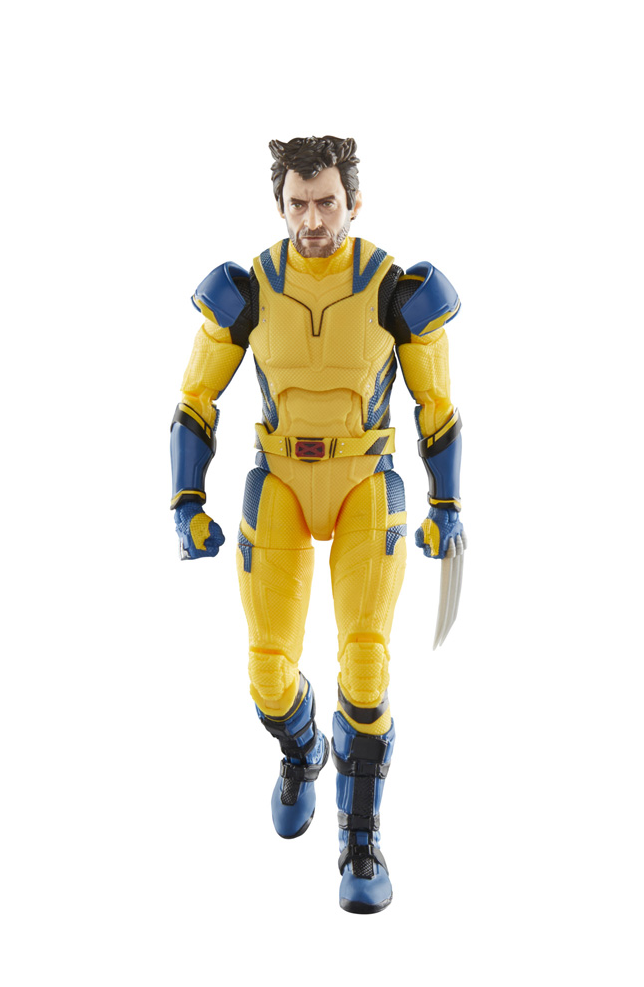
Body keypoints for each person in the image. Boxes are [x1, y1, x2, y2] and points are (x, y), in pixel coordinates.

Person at [170, 136, 466, 913]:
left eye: (326, 202)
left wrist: (446, 505)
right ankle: (303, 752)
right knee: (268, 675)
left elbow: (437, 407)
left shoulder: (394, 288)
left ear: (353, 202)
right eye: (298, 204)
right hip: (281, 482)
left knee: (365, 667)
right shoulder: (249, 289)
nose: (312, 220)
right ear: (280, 205)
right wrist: (186, 501)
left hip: (366, 479)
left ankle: (360, 840)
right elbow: (196, 400)